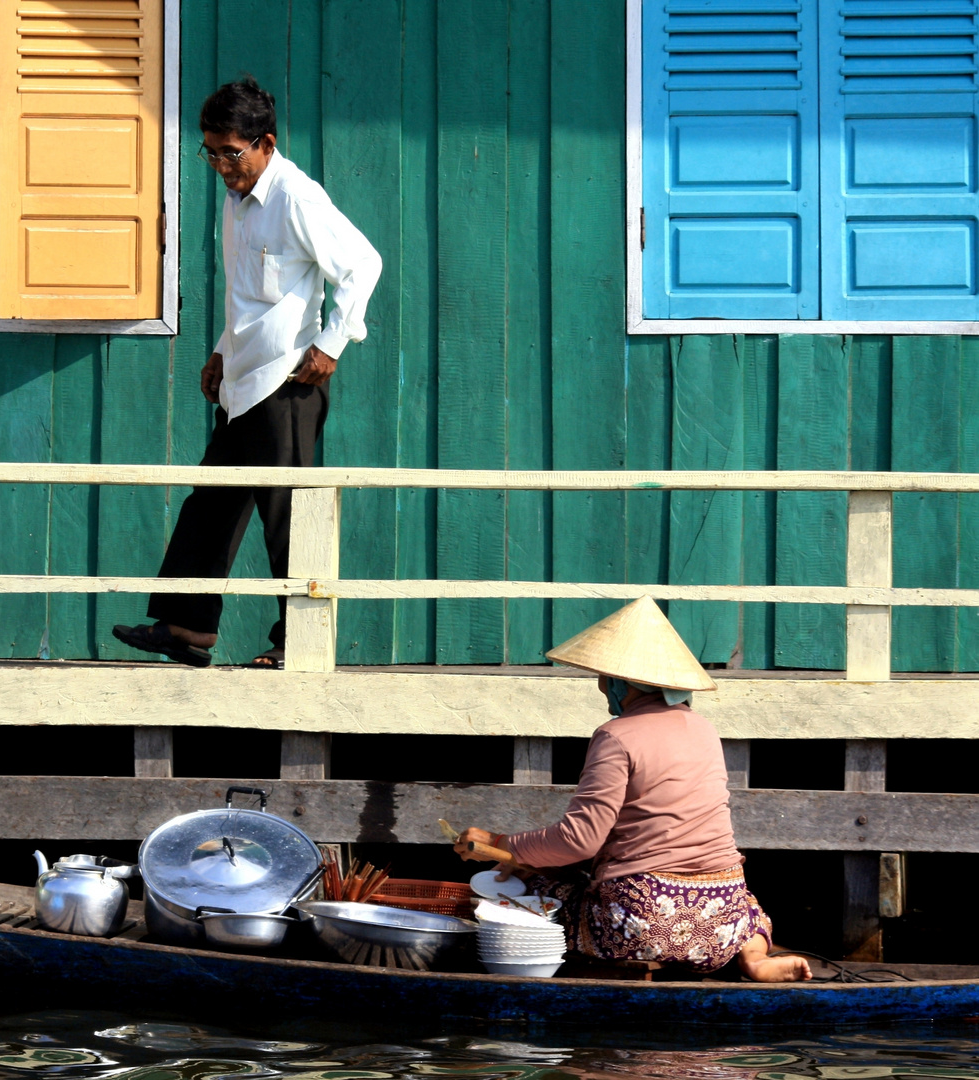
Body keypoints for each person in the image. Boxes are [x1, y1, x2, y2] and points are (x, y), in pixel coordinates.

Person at [112, 78, 382, 670]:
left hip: (287, 383)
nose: (220, 166)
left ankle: (298, 646)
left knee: (287, 515)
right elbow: (250, 297)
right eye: (209, 152)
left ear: (265, 143)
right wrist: (219, 351)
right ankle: (185, 629)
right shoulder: (240, 202)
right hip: (243, 378)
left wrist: (333, 343)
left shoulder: (295, 198)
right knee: (211, 504)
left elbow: (364, 264)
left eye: (230, 153)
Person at [452, 597, 811, 982]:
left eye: (607, 677)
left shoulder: (615, 736)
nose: (602, 685)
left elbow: (580, 841)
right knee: (749, 904)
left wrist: (503, 843)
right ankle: (754, 957)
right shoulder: (704, 730)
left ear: (625, 683)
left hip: (643, 926)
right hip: (720, 926)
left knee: (533, 887)